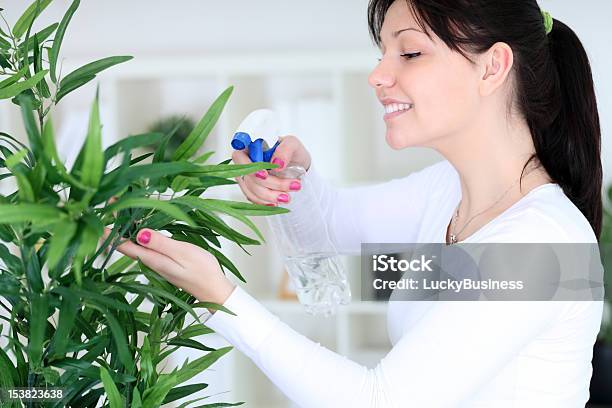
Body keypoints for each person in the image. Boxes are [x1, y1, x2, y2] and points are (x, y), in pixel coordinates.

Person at [104, 0, 604, 406]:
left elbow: (379, 400)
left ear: (492, 67)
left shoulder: (542, 244)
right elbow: (331, 229)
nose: (377, 76)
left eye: (409, 54)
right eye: (381, 54)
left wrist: (222, 299)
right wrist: (293, 178)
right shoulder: (447, 192)